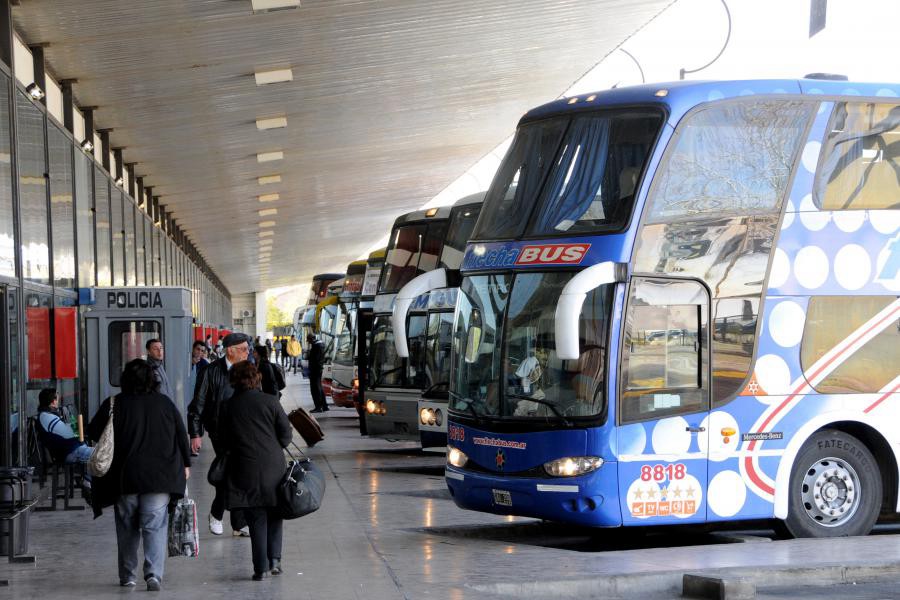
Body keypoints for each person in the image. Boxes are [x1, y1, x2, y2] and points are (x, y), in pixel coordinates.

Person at [87, 359, 191, 591]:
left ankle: (128, 576)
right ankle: (153, 575)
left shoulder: (114, 403)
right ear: (152, 380)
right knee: (155, 525)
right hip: (159, 477)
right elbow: (181, 434)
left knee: (127, 527)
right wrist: (185, 463)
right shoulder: (164, 403)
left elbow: (94, 431)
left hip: (125, 477)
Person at [221, 362, 292, 580]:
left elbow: (222, 439)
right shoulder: (271, 401)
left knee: (256, 518)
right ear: (256, 378)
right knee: (275, 513)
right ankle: (275, 561)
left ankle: (259, 567)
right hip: (273, 466)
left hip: (244, 467)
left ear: (234, 380)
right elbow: (286, 437)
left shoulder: (227, 406)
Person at [187, 332, 250, 537]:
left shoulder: (248, 370)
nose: (247, 352)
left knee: (237, 473)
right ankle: (219, 515)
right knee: (232, 471)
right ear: (230, 350)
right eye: (243, 349)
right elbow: (197, 404)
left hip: (244, 430)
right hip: (219, 430)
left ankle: (235, 522)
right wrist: (195, 433)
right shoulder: (210, 371)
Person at [36, 389, 93, 488]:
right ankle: (88, 482)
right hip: (69, 452)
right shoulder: (47, 417)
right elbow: (70, 434)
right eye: (57, 399)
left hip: (70, 450)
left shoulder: (46, 416)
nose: (58, 402)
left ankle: (87, 480)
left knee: (101, 453)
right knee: (100, 454)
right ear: (53, 401)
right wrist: (74, 424)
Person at [145, 339, 173, 403]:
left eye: (161, 348)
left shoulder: (159, 365)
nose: (159, 351)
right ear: (148, 351)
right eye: (155, 349)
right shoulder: (151, 368)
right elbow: (160, 391)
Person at [306, 334, 328, 413]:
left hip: (315, 370)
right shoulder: (321, 345)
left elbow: (314, 360)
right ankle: (324, 406)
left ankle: (318, 407)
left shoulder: (316, 347)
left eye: (308, 340)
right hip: (319, 369)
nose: (308, 342)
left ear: (312, 339)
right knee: (319, 387)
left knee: (315, 389)